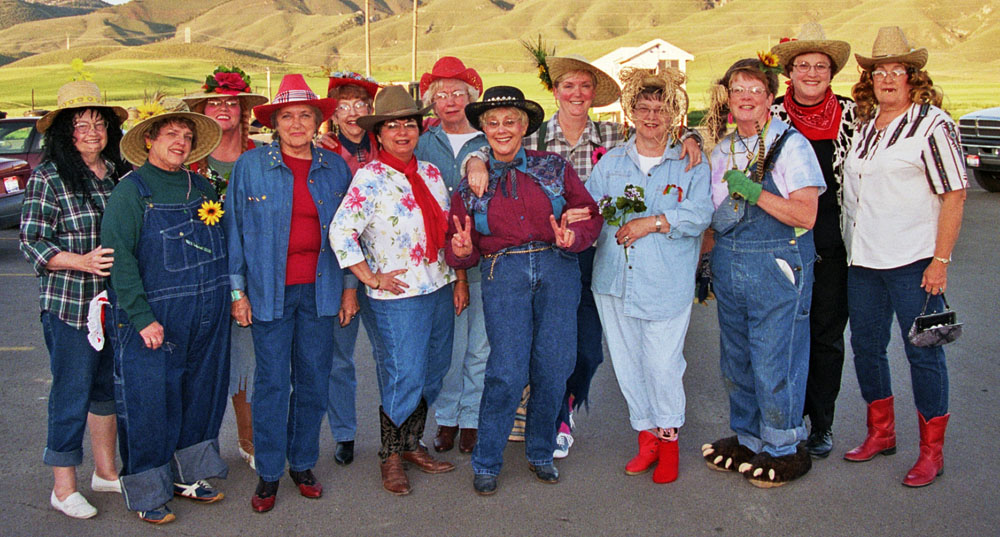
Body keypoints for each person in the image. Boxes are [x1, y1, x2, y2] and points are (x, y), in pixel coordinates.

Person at [468, 54, 701, 458]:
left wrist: (692, 136)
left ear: (595, 94)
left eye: (585, 86)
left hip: (598, 253)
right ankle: (546, 418)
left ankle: (567, 404)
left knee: (587, 348)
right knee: (538, 343)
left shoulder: (612, 137)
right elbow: (493, 141)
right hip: (542, 253)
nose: (576, 93)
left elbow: (658, 130)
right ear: (555, 92)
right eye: (568, 86)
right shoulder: (535, 138)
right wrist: (474, 159)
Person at [446, 85, 602, 495]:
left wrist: (573, 236)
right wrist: (460, 250)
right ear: (482, 128)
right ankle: (486, 460)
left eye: (510, 121)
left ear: (524, 126)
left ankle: (540, 452)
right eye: (493, 122)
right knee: (506, 371)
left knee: (554, 366)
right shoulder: (469, 184)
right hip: (504, 272)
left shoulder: (553, 166)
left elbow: (588, 215)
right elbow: (457, 243)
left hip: (557, 266)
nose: (502, 129)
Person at [840, 27, 966, 488]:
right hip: (865, 261)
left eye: (898, 70)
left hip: (916, 261)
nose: (888, 78)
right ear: (869, 79)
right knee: (867, 349)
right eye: (880, 71)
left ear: (914, 77)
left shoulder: (933, 124)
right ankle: (882, 434)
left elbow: (954, 195)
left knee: (924, 354)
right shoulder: (865, 125)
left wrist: (941, 261)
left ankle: (932, 453)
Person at [226, 74, 352, 512]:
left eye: (305, 115)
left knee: (314, 380)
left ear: (318, 120)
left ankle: (302, 462)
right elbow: (235, 233)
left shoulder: (335, 167)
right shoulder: (251, 166)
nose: (296, 124)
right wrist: (237, 292)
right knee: (273, 383)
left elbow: (351, 233)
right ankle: (269, 473)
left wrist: (350, 288)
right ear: (274, 123)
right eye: (287, 116)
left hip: (321, 289)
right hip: (267, 293)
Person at [699, 56, 825, 488]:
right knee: (737, 359)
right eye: (738, 90)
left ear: (771, 97)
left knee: (776, 357)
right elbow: (714, 215)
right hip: (731, 260)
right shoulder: (723, 148)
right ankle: (750, 439)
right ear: (728, 98)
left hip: (777, 261)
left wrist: (755, 191)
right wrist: (706, 263)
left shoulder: (791, 145)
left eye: (755, 89)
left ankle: (785, 447)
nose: (746, 97)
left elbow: (806, 214)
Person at [102, 98, 227, 524]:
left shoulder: (204, 189)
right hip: (155, 317)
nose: (181, 142)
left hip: (207, 311)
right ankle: (145, 491)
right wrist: (141, 317)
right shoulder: (130, 192)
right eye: (172, 134)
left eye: (187, 136)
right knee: (149, 404)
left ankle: (188, 476)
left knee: (200, 397)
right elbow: (119, 259)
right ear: (150, 140)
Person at [586, 68, 713, 484]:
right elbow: (588, 209)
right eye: (644, 108)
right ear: (631, 113)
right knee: (628, 363)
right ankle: (646, 439)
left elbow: (699, 214)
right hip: (614, 281)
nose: (652, 117)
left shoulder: (690, 161)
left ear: (675, 115)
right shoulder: (612, 162)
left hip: (666, 282)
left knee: (662, 364)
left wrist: (653, 222)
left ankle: (670, 440)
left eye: (662, 109)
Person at [329, 85, 457, 496]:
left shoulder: (432, 175)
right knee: (404, 373)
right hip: (396, 296)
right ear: (378, 134)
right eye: (392, 125)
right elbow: (341, 231)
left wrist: (461, 281)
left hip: (438, 285)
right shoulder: (369, 178)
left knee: (434, 369)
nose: (402, 131)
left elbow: (450, 230)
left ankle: (409, 441)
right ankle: (391, 454)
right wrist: (370, 277)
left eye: (409, 123)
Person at [19, 80, 130, 519]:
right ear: (64, 131)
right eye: (80, 124)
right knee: (71, 391)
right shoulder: (49, 177)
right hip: (70, 306)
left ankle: (105, 472)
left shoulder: (118, 173)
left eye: (98, 124)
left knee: (106, 391)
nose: (91, 131)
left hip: (115, 304)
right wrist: (80, 262)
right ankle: (63, 486)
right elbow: (32, 241)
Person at [769, 23, 856, 458]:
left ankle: (821, 423)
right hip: (783, 240)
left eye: (821, 66)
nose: (812, 72)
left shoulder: (854, 114)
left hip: (834, 240)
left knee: (826, 335)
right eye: (803, 64)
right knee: (785, 332)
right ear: (790, 71)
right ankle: (785, 417)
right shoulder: (773, 117)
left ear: (831, 73)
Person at [182, 65, 269, 471]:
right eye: (214, 102)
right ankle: (196, 447)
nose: (223, 108)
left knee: (248, 362)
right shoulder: (187, 166)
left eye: (230, 102)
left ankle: (249, 440)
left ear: (242, 111)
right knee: (200, 365)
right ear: (202, 110)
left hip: (252, 276)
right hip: (196, 277)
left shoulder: (261, 160)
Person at [415, 56, 490, 454]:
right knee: (448, 346)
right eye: (441, 94)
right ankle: (446, 418)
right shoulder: (423, 142)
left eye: (457, 93)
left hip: (485, 259)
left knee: (479, 345)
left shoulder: (488, 137)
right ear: (431, 101)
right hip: (437, 264)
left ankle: (472, 418)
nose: (449, 101)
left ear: (471, 97)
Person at [317, 71, 383, 466]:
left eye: (361, 104)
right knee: (340, 357)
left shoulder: (388, 144)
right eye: (344, 106)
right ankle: (344, 433)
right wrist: (347, 283)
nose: (353, 113)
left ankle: (399, 431)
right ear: (333, 113)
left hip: (387, 262)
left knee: (391, 352)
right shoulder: (323, 153)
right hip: (342, 263)